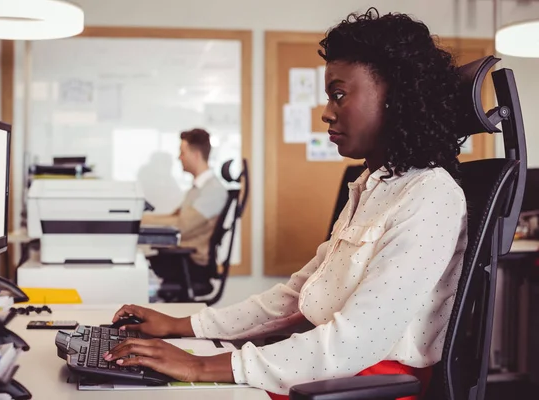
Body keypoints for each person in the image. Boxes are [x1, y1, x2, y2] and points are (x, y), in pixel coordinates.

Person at [103, 8, 468, 399]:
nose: (327, 113)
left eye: (339, 95)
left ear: (397, 97)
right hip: (330, 369)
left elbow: (356, 342)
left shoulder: (431, 194)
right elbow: (294, 297)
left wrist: (197, 365)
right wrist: (185, 325)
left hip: (367, 385)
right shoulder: (371, 187)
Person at [142, 128, 227, 287]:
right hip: (182, 259)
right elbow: (175, 217)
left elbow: (182, 225)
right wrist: (139, 220)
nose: (179, 157)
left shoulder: (212, 191)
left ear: (195, 155)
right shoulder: (198, 189)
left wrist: (138, 221)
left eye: (182, 152)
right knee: (139, 266)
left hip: (191, 265)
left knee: (138, 270)